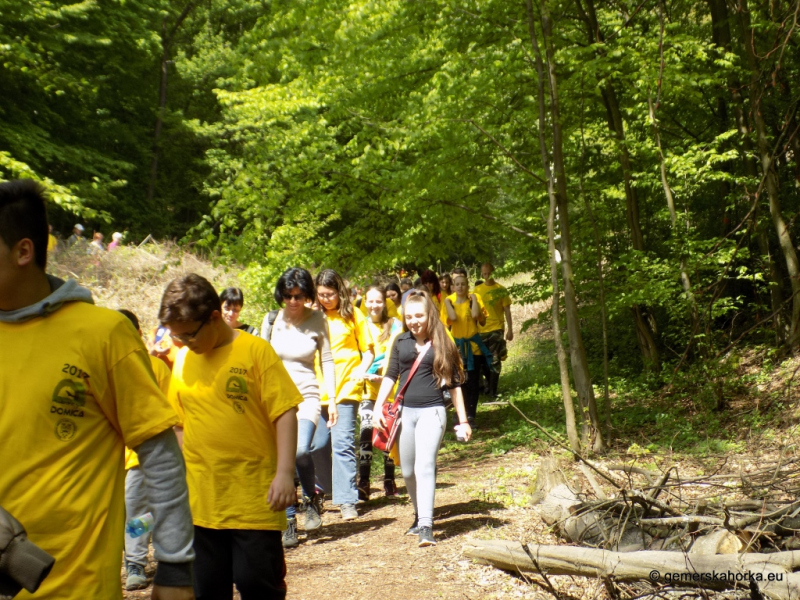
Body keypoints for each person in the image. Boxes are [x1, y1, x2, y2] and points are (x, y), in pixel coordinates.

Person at [0, 179, 195, 600]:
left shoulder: (103, 335)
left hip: (74, 586)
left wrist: (176, 567)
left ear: (23, 251)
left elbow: (160, 457)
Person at [160, 273, 302, 600]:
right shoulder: (182, 359)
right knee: (207, 589)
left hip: (254, 497)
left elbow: (284, 413)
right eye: (176, 336)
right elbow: (179, 423)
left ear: (213, 317)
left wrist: (283, 473)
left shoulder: (255, 352)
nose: (182, 343)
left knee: (256, 583)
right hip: (202, 502)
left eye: (188, 335)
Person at [373, 291, 472, 547]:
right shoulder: (400, 341)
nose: (414, 321)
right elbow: (390, 376)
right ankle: (419, 515)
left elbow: (454, 385)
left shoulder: (442, 342)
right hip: (405, 412)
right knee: (407, 470)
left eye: (419, 315)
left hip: (433, 411)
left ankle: (427, 525)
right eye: (409, 316)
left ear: (429, 315)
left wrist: (463, 420)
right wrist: (377, 407)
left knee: (424, 465)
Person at [264, 268, 337, 548]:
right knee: (279, 459)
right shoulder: (271, 320)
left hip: (307, 394)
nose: (293, 301)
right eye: (288, 296)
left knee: (300, 450)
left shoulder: (318, 319)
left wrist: (331, 399)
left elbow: (327, 360)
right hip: (276, 399)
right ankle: (289, 521)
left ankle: (311, 498)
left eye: (299, 296)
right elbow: (261, 360)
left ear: (307, 295)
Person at [117, 309, 179, 591]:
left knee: (139, 510)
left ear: (139, 334)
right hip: (113, 457)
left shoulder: (157, 368)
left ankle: (136, 562)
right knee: (134, 512)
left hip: (146, 455)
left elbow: (173, 413)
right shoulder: (107, 367)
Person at [309, 269, 374, 521]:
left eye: (330, 294)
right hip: (317, 389)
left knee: (342, 443)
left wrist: (361, 369)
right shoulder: (312, 317)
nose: (326, 299)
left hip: (346, 387)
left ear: (340, 293)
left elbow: (367, 350)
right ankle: (328, 490)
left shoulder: (353, 314)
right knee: (317, 445)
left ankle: (347, 500)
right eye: (321, 295)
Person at [358, 284, 404, 500]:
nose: (374, 305)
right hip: (366, 390)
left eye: (379, 301)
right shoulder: (360, 325)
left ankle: (389, 480)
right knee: (366, 430)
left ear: (385, 302)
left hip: (389, 390)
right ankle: (364, 482)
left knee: (388, 432)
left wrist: (384, 375)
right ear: (364, 302)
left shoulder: (395, 325)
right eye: (370, 301)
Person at [443, 271, 491, 427]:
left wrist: (475, 299)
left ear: (468, 286)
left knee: (472, 382)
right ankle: (460, 414)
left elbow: (480, 318)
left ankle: (471, 415)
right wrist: (447, 303)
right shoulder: (449, 301)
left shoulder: (474, 300)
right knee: (458, 382)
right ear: (453, 286)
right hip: (456, 348)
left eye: (463, 284)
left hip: (474, 348)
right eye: (457, 284)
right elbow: (452, 320)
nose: (460, 287)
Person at [475, 263, 514, 398]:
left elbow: (507, 310)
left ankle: (493, 391)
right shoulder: (477, 291)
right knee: (481, 361)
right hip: (480, 330)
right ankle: (486, 385)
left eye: (489, 273)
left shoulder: (501, 290)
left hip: (497, 329)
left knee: (495, 360)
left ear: (493, 272)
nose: (487, 276)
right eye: (484, 274)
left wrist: (510, 329)